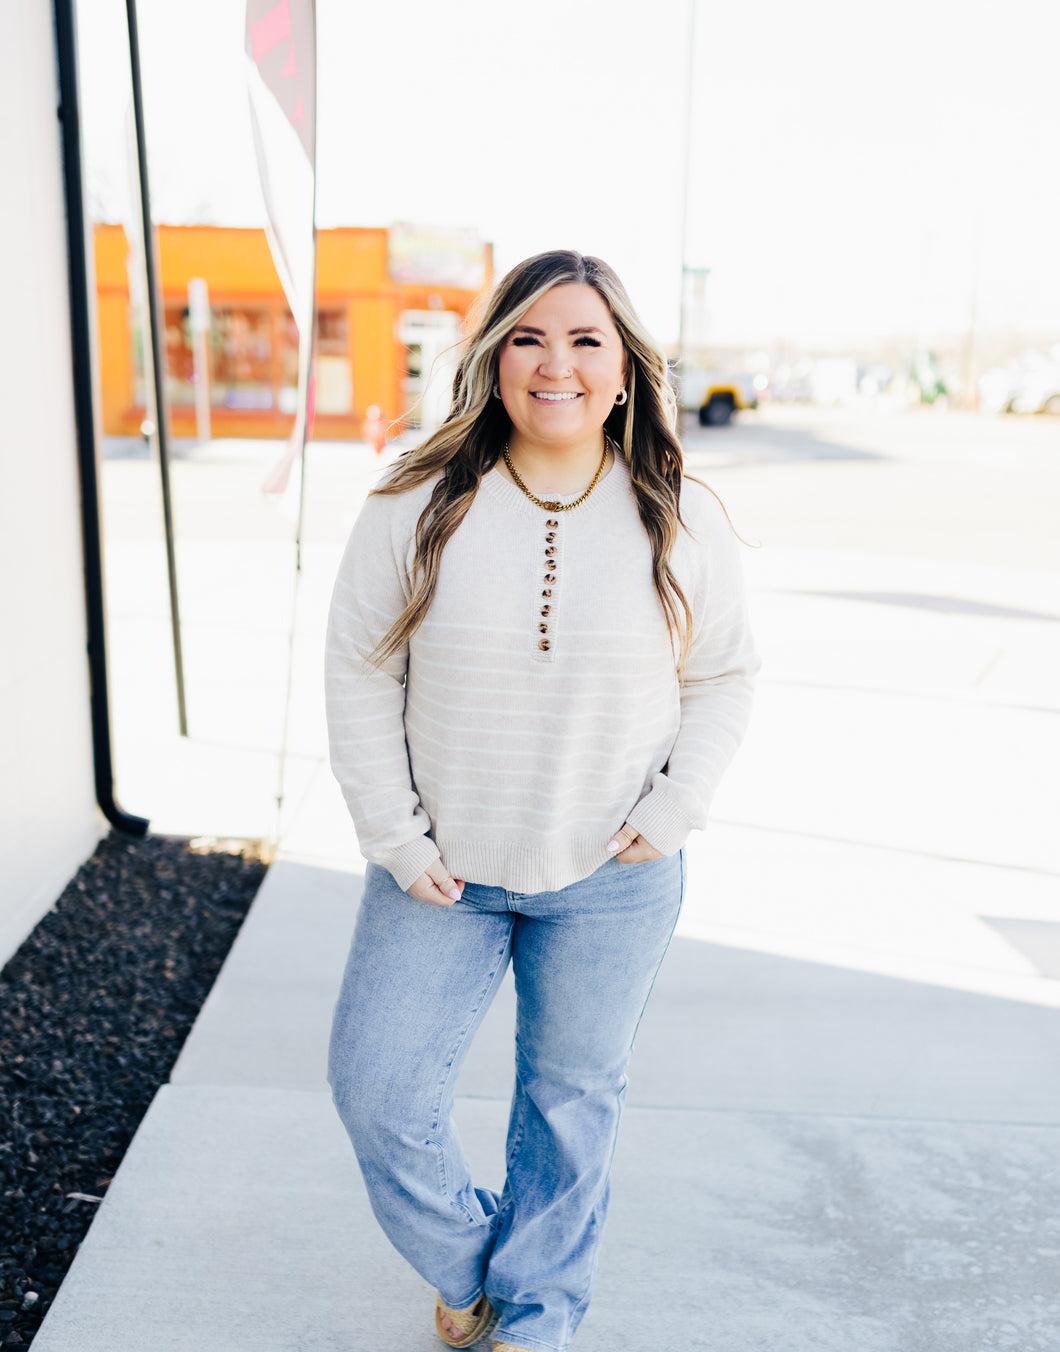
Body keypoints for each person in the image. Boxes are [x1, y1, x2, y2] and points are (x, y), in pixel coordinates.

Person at [324, 250, 758, 1352]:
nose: (553, 363)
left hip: (613, 877)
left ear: (624, 373)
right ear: (491, 358)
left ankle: (535, 1316)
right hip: (441, 872)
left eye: (583, 340)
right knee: (377, 1090)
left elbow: (723, 674)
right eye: (527, 336)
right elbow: (360, 667)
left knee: (569, 1110)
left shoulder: (679, 513)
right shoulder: (414, 500)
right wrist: (392, 831)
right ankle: (481, 1265)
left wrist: (671, 810)